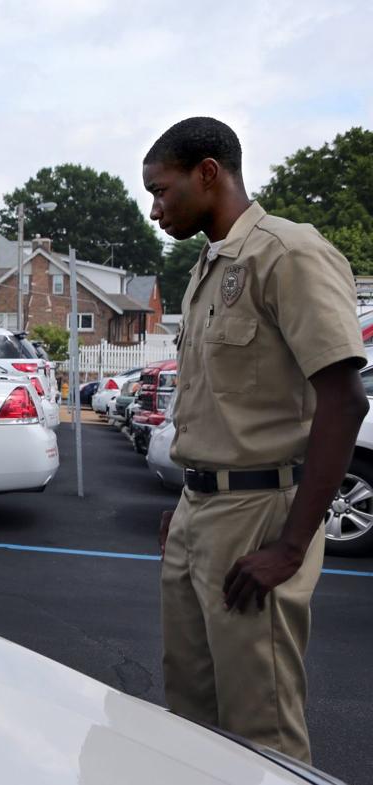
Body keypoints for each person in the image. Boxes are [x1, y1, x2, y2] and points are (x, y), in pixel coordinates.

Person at [144, 117, 368, 763]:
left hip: (259, 515)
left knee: (259, 732)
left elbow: (344, 399)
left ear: (207, 173)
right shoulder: (210, 265)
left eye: (161, 190)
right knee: (190, 718)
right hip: (199, 511)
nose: (156, 210)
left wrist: (291, 545)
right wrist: (190, 501)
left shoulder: (287, 253)